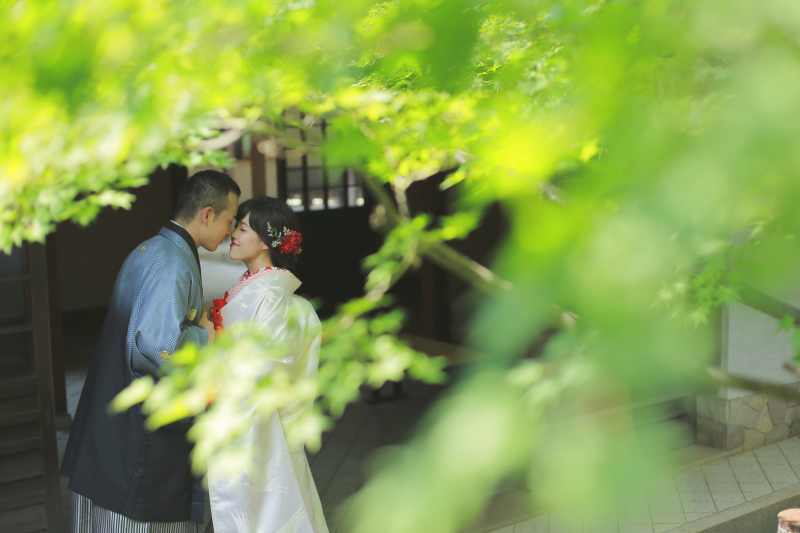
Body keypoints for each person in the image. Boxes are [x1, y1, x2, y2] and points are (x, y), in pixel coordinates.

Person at [60, 170, 241, 533]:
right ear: (206, 214)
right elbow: (157, 347)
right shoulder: (172, 263)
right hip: (137, 430)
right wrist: (206, 336)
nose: (231, 230)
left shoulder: (152, 248)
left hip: (112, 416)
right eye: (229, 220)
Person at [206, 196, 328, 533]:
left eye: (242, 228)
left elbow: (265, 369)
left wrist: (211, 339)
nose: (234, 234)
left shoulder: (272, 296)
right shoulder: (256, 287)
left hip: (264, 424)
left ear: (264, 240)